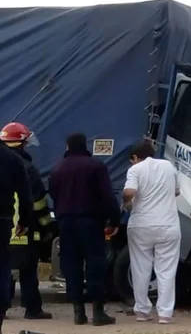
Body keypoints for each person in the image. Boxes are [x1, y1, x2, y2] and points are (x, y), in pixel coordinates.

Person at [48, 133, 120, 326]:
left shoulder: (57, 169)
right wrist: (114, 221)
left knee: (71, 266)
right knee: (95, 264)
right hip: (90, 222)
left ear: (67, 147)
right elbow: (107, 196)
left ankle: (78, 312)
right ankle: (98, 313)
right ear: (84, 145)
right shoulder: (96, 166)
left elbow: (54, 195)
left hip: (65, 223)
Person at [122, 141, 181, 324]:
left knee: (140, 268)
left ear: (134, 157)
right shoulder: (168, 166)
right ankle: (165, 314)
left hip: (141, 225)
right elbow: (177, 192)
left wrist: (127, 202)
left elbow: (129, 191)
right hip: (168, 226)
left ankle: (142, 311)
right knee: (167, 270)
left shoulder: (136, 169)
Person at [0, 123, 54, 320]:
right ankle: (32, 309)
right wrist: (48, 226)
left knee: (5, 269)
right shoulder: (24, 167)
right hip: (20, 230)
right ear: (20, 143)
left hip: (7, 227)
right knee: (28, 271)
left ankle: (3, 309)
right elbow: (36, 202)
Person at [0, 136, 33, 334]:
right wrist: (24, 222)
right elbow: (25, 196)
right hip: (2, 221)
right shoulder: (12, 159)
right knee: (2, 266)